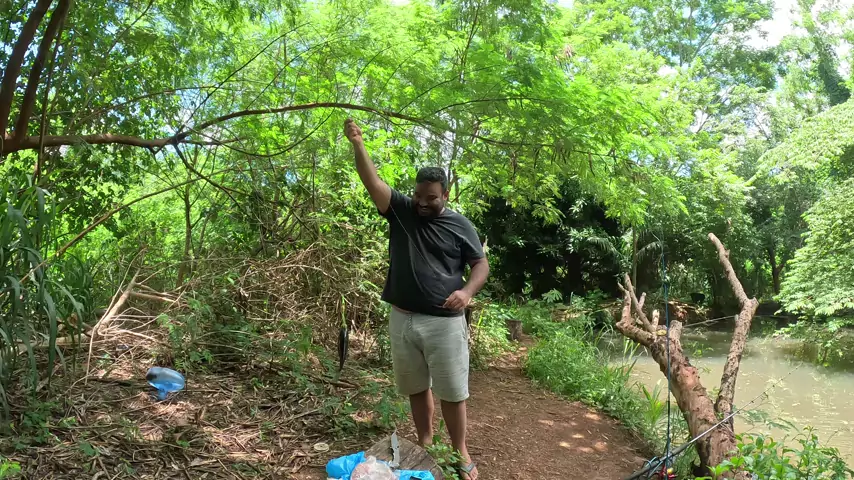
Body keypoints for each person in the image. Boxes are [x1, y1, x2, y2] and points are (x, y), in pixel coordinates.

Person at [344, 119, 488, 480]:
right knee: (416, 386)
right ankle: (425, 442)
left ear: (446, 194)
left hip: (444, 322)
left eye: (431, 198)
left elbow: (480, 264)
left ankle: (460, 451)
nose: (422, 203)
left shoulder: (460, 225)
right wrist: (358, 143)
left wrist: (467, 292)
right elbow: (372, 182)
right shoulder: (401, 210)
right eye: (419, 195)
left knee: (452, 390)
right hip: (402, 318)